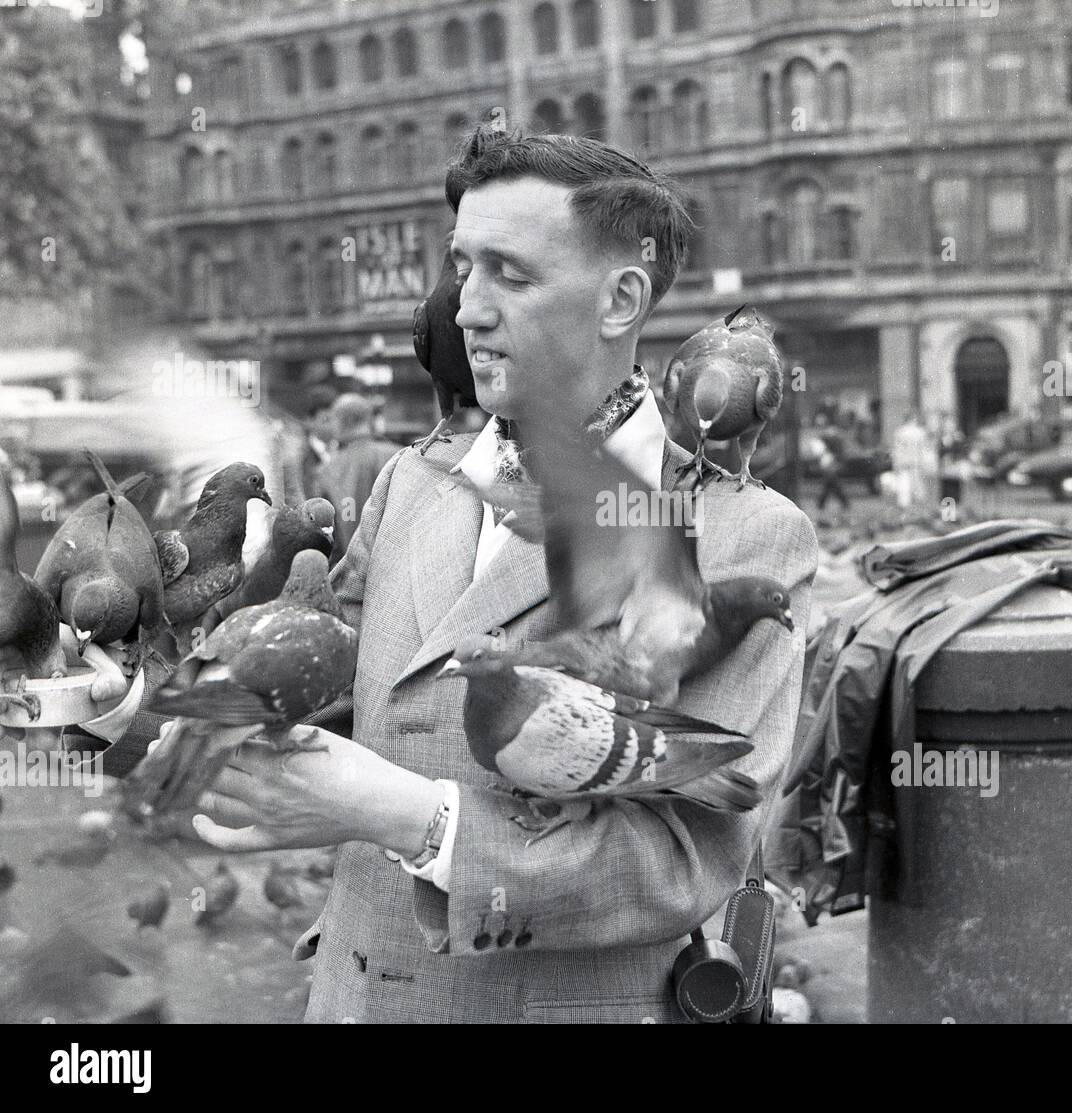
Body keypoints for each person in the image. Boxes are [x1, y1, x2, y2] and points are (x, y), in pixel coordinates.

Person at [90, 127, 817, 1023]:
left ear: (620, 297)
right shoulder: (415, 482)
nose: (465, 307)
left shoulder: (741, 533)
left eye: (509, 274)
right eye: (463, 267)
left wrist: (411, 817)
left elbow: (680, 864)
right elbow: (300, 685)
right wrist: (107, 698)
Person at [310, 393, 399, 565]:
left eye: (333, 419)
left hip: (353, 569)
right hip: (396, 565)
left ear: (345, 421)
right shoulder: (398, 455)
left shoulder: (328, 470)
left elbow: (327, 535)